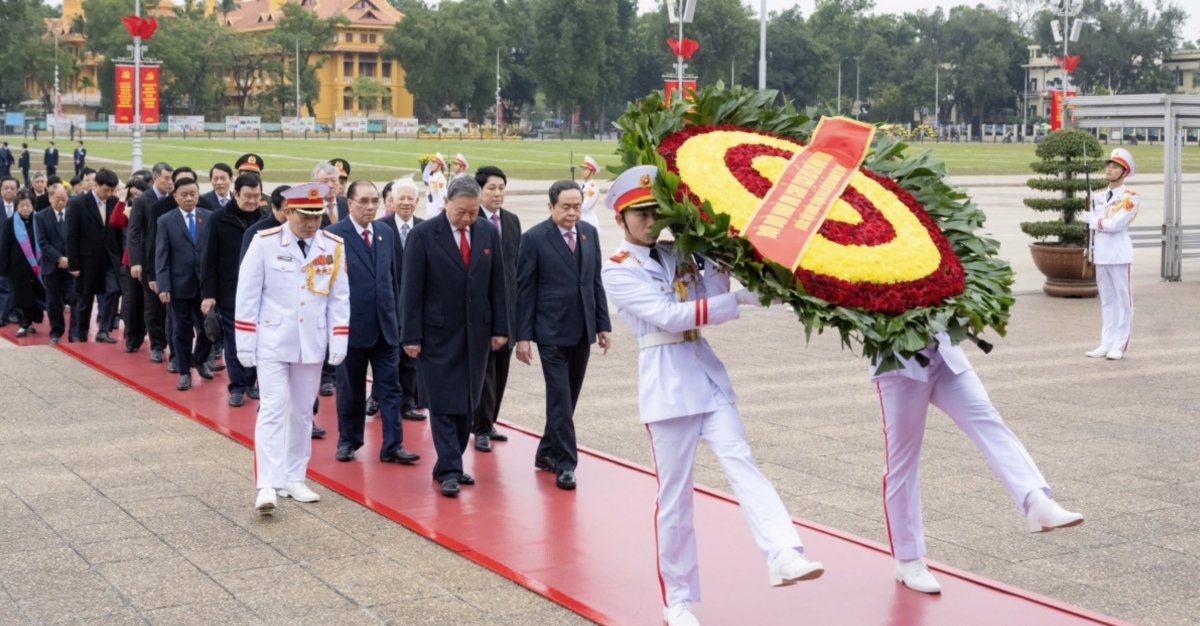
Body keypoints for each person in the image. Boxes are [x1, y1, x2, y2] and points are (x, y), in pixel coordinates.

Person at [601, 165, 824, 626]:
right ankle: (677, 600)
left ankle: (782, 551)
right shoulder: (617, 269)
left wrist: (734, 270)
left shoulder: (680, 250)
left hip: (705, 372)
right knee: (675, 498)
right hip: (666, 382)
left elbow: (709, 293)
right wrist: (739, 301)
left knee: (742, 460)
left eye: (654, 211)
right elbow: (668, 315)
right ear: (620, 220)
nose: (649, 220)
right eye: (639, 213)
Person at [873, 332, 1084, 594]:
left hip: (944, 354)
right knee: (902, 461)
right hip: (899, 364)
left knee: (988, 420)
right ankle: (907, 559)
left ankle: (1036, 501)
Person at [236, 182, 349, 514]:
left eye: (317, 216)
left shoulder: (332, 245)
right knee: (272, 409)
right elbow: (247, 295)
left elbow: (339, 298)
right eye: (305, 217)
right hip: (272, 340)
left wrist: (338, 339)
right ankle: (267, 484)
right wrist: (245, 343)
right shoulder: (265, 242)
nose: (312, 224)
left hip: (311, 343)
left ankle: (294, 476)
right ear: (288, 212)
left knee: (302, 412)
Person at [401, 176, 507, 498]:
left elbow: (497, 282)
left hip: (477, 334)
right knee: (444, 404)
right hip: (437, 335)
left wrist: (501, 327)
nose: (467, 219)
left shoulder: (487, 231)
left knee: (468, 404)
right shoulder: (422, 236)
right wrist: (411, 335)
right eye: (461, 211)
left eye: (473, 212)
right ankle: (450, 469)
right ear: (446, 203)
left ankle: (448, 462)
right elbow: (411, 290)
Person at [515, 180, 611, 489]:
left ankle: (545, 452)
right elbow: (525, 291)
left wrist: (602, 324)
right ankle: (566, 464)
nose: (572, 213)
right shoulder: (533, 239)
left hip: (582, 329)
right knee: (558, 397)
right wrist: (523, 336)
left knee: (567, 401)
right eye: (565, 207)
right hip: (550, 332)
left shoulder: (589, 233)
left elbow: (594, 282)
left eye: (577, 207)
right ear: (551, 207)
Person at [327, 180, 419, 465]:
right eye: (363, 201)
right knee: (351, 389)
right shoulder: (332, 235)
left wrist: (399, 320)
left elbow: (392, 278)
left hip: (385, 327)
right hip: (352, 327)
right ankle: (348, 440)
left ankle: (393, 444)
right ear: (350, 203)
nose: (369, 207)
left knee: (390, 388)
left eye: (374, 201)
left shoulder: (384, 231)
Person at [202, 173, 263, 406]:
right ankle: (237, 386)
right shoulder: (218, 219)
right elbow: (208, 259)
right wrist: (208, 295)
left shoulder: (264, 220)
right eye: (247, 196)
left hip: (258, 293)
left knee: (257, 340)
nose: (252, 201)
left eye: (256, 196)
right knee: (235, 341)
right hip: (229, 291)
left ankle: (251, 382)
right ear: (236, 194)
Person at [472, 166, 520, 453]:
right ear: (480, 191)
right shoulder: (470, 219)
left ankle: (489, 422)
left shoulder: (512, 221)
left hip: (509, 308)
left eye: (501, 187)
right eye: (492, 188)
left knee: (501, 369)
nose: (498, 193)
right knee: (485, 371)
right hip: (482, 310)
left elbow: (517, 267)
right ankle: (479, 426)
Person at [1080, 148, 1138, 361]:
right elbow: (1094, 229)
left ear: (1124, 173)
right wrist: (1090, 247)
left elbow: (1114, 225)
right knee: (1107, 300)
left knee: (1124, 301)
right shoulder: (1098, 196)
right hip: (1101, 253)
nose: (1109, 169)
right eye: (1109, 166)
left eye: (1115, 167)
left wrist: (1091, 219)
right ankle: (1106, 342)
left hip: (1119, 254)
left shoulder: (1130, 198)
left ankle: (1120, 345)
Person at [155, 178, 214, 391]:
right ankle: (183, 372)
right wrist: (164, 286)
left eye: (193, 194)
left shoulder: (209, 217)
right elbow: (161, 254)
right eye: (184, 194)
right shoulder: (165, 220)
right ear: (175, 197)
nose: (189, 198)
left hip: (204, 285)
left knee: (210, 328)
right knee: (181, 331)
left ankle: (198, 359)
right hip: (178, 285)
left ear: (198, 194)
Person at [377, 177, 425, 421]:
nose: (406, 203)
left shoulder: (426, 229)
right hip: (388, 303)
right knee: (386, 356)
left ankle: (408, 402)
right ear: (391, 201)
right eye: (401, 198)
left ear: (417, 201)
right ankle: (380, 398)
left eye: (410, 198)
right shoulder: (379, 228)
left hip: (415, 305)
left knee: (410, 357)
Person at [66, 168, 122, 344]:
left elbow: (119, 232)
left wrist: (119, 257)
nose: (109, 193)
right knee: (85, 300)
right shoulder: (78, 203)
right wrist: (73, 264)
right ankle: (80, 334)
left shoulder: (114, 202)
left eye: (112, 190)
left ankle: (104, 330)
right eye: (106, 189)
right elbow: (71, 234)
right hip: (87, 260)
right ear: (96, 184)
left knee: (114, 290)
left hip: (109, 258)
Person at [128, 162, 174, 364]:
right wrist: (135, 261)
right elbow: (134, 233)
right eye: (166, 178)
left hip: (172, 260)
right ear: (154, 178)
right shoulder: (143, 201)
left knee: (173, 307)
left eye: (172, 178)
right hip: (150, 261)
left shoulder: (175, 198)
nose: (169, 182)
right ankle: (156, 346)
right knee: (153, 306)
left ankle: (174, 345)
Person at [109, 178, 150, 352]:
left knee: (152, 305)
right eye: (132, 195)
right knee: (132, 301)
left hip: (151, 261)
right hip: (131, 261)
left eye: (138, 194)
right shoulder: (129, 209)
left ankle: (155, 338)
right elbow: (116, 221)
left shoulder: (151, 207)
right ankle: (132, 337)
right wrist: (122, 199)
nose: (135, 198)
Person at [35, 183, 77, 343]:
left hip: (72, 265)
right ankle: (56, 331)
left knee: (75, 298)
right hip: (51, 265)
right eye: (58, 199)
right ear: (50, 198)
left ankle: (74, 332)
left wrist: (70, 259)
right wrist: (59, 258)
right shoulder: (40, 216)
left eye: (64, 199)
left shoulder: (73, 214)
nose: (61, 202)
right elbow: (42, 242)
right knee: (53, 301)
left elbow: (77, 239)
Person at [0, 190, 46, 337]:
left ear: (33, 206)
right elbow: (4, 246)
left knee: (36, 294)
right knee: (19, 296)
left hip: (38, 266)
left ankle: (32, 319)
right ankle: (23, 324)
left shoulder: (40, 220)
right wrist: (3, 269)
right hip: (18, 267)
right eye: (21, 206)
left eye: (27, 205)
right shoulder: (10, 223)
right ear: (16, 207)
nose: (25, 208)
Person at [0, 177, 18, 326]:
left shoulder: (23, 207)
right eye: (6, 188)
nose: (9, 191)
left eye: (12, 188)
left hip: (18, 253)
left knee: (15, 284)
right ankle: (3, 314)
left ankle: (12, 312)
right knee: (3, 284)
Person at [422, 153, 447, 218]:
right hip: (431, 206)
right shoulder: (433, 177)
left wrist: (441, 208)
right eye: (431, 163)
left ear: (439, 165)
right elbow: (425, 176)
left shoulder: (440, 178)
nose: (431, 165)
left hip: (436, 209)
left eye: (434, 163)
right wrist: (429, 165)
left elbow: (442, 193)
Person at [579, 156, 600, 230]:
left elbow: (584, 207)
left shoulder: (592, 188)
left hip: (588, 222)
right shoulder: (582, 186)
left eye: (584, 170)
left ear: (591, 172)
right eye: (581, 169)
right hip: (580, 221)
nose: (582, 171)